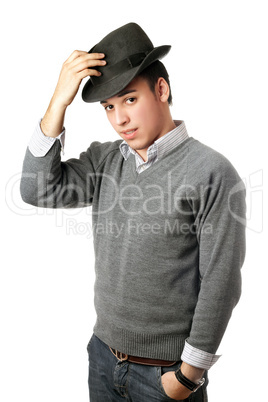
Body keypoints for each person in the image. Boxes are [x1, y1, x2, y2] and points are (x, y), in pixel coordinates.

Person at [20, 23, 246, 401]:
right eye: (108, 107)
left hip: (166, 374)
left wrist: (187, 377)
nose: (119, 119)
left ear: (161, 89)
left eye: (128, 99)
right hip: (103, 357)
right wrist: (58, 102)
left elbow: (221, 282)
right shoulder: (105, 160)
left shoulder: (211, 171)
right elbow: (35, 189)